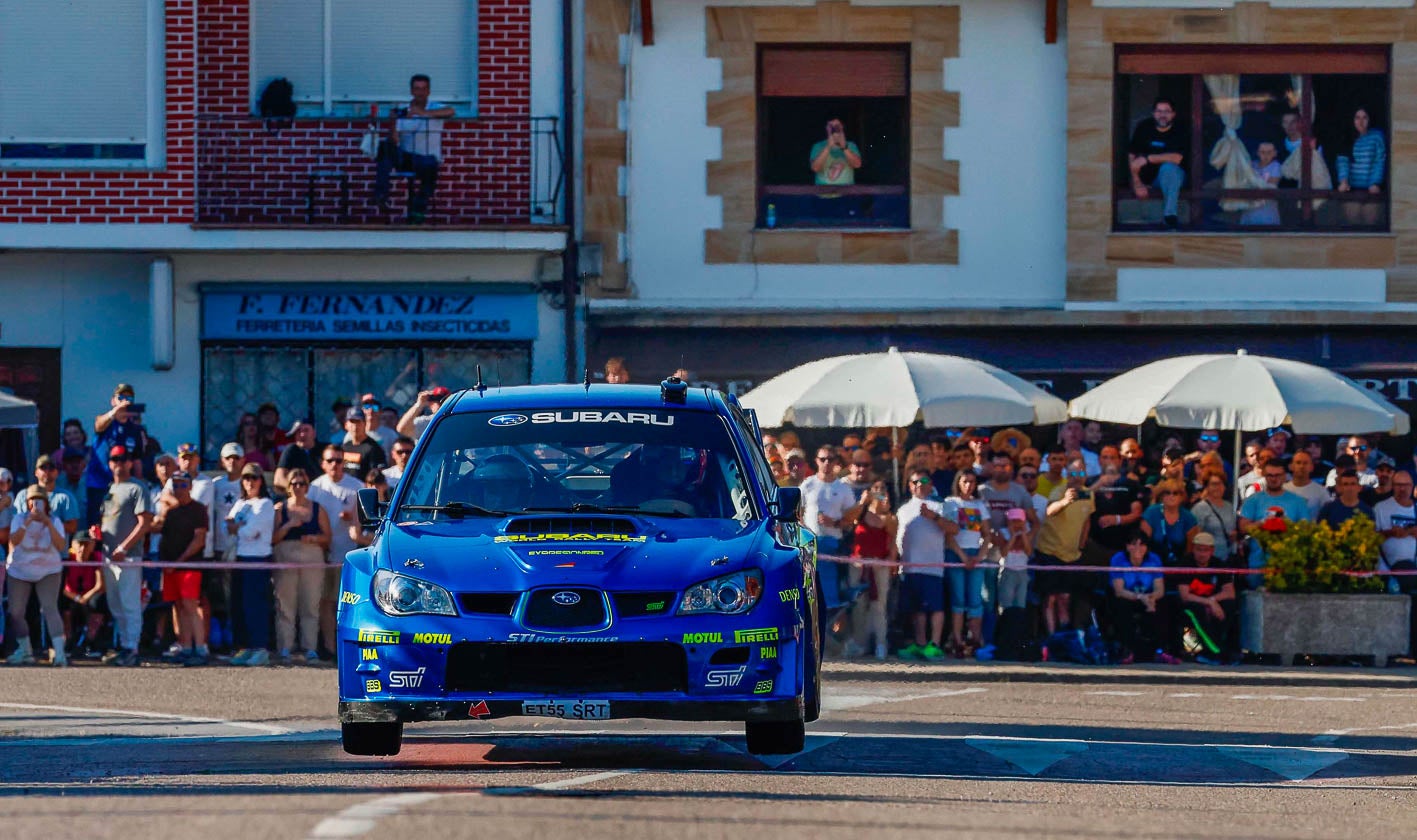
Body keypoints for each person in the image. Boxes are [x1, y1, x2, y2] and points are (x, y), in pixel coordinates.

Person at [373, 73, 454, 223]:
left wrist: (422, 113)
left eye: (424, 89)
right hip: (407, 157)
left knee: (431, 169)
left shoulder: (435, 107)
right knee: (385, 146)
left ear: (429, 91)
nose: (420, 93)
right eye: (417, 89)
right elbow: (395, 140)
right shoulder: (403, 110)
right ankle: (381, 195)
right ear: (411, 91)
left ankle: (417, 211)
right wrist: (393, 122)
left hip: (428, 158)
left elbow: (450, 112)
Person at [98, 445, 151, 666]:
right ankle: (123, 643)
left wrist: (125, 547)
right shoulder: (109, 489)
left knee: (130, 603)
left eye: (123, 459)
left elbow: (145, 522)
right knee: (115, 603)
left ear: (130, 462)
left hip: (128, 556)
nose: (118, 463)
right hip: (109, 555)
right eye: (114, 459)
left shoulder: (137, 488)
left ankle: (132, 647)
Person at [272, 468, 331, 666]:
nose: (298, 487)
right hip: (286, 556)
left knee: (311, 604)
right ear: (288, 487)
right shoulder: (281, 509)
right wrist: (288, 526)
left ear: (307, 486)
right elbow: (273, 539)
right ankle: (285, 647)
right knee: (285, 605)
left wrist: (314, 538)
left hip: (311, 556)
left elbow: (327, 538)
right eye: (294, 484)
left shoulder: (317, 508)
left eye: (302, 483)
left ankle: (310, 648)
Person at [894, 469, 955, 661]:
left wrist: (934, 517)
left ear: (931, 484)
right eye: (914, 481)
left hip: (933, 566)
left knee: (936, 608)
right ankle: (920, 644)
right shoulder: (903, 509)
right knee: (917, 609)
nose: (919, 484)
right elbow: (898, 537)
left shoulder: (941, 506)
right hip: (909, 566)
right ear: (910, 485)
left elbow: (954, 529)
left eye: (924, 480)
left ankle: (935, 644)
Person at [5, 486, 69, 665]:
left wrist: (47, 523)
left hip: (48, 569)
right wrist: (27, 522)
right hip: (20, 569)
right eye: (32, 500)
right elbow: (14, 541)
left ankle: (60, 653)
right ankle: (25, 651)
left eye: (39, 500)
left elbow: (60, 545)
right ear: (27, 503)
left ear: (46, 504)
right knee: (16, 612)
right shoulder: (19, 519)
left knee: (50, 608)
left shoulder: (55, 521)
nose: (35, 503)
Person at [310, 445, 363, 657]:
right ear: (323, 463)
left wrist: (354, 519)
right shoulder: (315, 487)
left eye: (339, 461)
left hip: (348, 556)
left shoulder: (356, 487)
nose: (335, 465)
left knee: (347, 606)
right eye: (330, 460)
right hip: (321, 556)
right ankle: (330, 649)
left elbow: (366, 523)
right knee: (324, 603)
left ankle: (346, 649)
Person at [152, 470, 209, 667]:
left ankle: (200, 648)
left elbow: (199, 539)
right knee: (178, 606)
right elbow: (160, 531)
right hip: (170, 567)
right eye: (175, 485)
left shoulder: (199, 509)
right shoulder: (171, 513)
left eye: (183, 484)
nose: (179, 489)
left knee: (191, 606)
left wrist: (180, 561)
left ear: (191, 487)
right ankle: (185, 647)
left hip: (189, 565)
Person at [1035, 457, 1095, 635]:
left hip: (1072, 554)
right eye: (1073, 473)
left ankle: (1065, 635)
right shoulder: (1059, 491)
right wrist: (1064, 502)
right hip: (1050, 552)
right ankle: (1052, 636)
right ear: (1066, 475)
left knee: (1065, 597)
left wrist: (1081, 544)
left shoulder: (1087, 493)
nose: (1077, 477)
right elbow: (1049, 511)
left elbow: (1087, 520)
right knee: (1050, 598)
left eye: (1081, 473)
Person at [227, 464, 275, 667]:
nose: (250, 482)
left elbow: (251, 532)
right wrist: (237, 527)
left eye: (254, 478)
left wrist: (235, 527)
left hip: (257, 560)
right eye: (246, 478)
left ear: (261, 481)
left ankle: (260, 648)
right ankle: (245, 647)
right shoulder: (240, 503)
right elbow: (225, 527)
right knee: (239, 605)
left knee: (256, 605)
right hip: (240, 558)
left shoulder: (265, 504)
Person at [943, 470, 993, 657]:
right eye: (965, 481)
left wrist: (980, 555)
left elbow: (987, 533)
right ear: (958, 482)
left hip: (976, 554)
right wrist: (962, 556)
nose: (969, 485)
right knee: (958, 599)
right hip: (956, 553)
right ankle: (957, 639)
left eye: (972, 482)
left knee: (975, 600)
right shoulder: (950, 503)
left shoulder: (980, 504)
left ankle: (975, 639)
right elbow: (948, 534)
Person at [848, 478, 898, 660]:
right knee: (858, 606)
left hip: (880, 566)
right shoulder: (861, 513)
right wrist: (863, 502)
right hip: (858, 565)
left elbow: (892, 538)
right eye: (875, 487)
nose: (878, 491)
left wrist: (885, 510)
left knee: (879, 606)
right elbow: (848, 520)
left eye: (882, 488)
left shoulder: (890, 517)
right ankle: (859, 643)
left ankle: (880, 644)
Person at [1238, 460, 1310, 586]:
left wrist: (1285, 524)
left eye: (1278, 475)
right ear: (1264, 476)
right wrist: (1263, 523)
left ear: (1284, 476)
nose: (1274, 479)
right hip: (1258, 563)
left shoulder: (1298, 501)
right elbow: (1243, 528)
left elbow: (1306, 530)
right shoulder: (1253, 500)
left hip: (1288, 563)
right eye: (1270, 475)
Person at [1109, 529, 1176, 664]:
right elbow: (1119, 590)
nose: (1138, 548)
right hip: (1128, 597)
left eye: (1142, 544)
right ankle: (1127, 650)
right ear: (1127, 546)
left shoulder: (1154, 559)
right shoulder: (1118, 559)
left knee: (1165, 605)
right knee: (1121, 606)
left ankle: (1161, 650)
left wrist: (1151, 599)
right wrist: (1141, 597)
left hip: (1148, 597)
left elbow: (1160, 589)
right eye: (1134, 544)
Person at [87, 383, 149, 526]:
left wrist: (139, 485)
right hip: (100, 484)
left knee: (118, 523)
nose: (125, 401)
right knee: (96, 524)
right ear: (113, 400)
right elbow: (98, 425)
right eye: (121, 397)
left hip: (123, 486)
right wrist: (115, 412)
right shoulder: (105, 422)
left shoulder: (135, 430)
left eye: (129, 398)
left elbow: (137, 460)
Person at [1176, 532, 1239, 664]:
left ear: (1212, 550)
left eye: (1205, 550)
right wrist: (1209, 603)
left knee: (1230, 605)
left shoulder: (1219, 564)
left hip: (1212, 602)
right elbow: (1185, 595)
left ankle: (1219, 649)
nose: (1202, 554)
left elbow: (1230, 592)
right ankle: (1214, 651)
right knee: (1195, 612)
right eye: (1199, 549)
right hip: (1192, 604)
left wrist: (1213, 601)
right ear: (1193, 549)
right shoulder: (1186, 563)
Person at [1128, 97, 1188, 229]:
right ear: (1153, 113)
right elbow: (1132, 156)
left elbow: (1176, 158)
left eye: (1167, 111)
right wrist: (1137, 183)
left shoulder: (1180, 129)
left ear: (1173, 114)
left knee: (1168, 168)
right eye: (1159, 111)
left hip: (1174, 178)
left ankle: (1169, 216)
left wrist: (1147, 158)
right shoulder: (1144, 127)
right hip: (1148, 181)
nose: (1162, 115)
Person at [801, 447, 856, 560]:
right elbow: (796, 513)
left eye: (830, 459)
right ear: (816, 461)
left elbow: (851, 520)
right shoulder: (807, 484)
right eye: (822, 459)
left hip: (833, 542)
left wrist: (834, 523)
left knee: (830, 577)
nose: (826, 462)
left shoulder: (844, 488)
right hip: (809, 542)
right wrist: (804, 533)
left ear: (836, 461)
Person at [1337, 106, 1386, 226]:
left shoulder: (1377, 136)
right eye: (1357, 118)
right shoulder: (1347, 136)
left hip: (1372, 189)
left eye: (1364, 118)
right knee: (1353, 221)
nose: (1361, 121)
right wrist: (1343, 181)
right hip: (1352, 189)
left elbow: (1379, 160)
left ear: (1369, 119)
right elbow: (1343, 161)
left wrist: (1375, 183)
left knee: (1370, 221)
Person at [12, 454, 79, 540]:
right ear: (36, 472)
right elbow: (14, 523)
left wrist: (46, 523)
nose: (47, 471)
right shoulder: (23, 495)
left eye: (51, 468)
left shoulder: (66, 497)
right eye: (43, 467)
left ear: (57, 472)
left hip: (55, 551)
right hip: (27, 551)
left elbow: (72, 527)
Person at [1374, 470, 1417, 591]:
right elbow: (1371, 539)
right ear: (1393, 486)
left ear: (1412, 486)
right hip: (1387, 572)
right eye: (1399, 485)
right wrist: (1390, 533)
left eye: (1406, 485)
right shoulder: (1380, 508)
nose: (1402, 489)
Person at [1191, 471, 1239, 563]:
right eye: (1214, 484)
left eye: (1221, 484)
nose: (1218, 487)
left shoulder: (1229, 506)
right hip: (1208, 560)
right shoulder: (1199, 508)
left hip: (1228, 557)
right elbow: (1195, 537)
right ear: (1207, 487)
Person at [1240, 141, 1283, 226]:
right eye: (1262, 152)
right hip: (1250, 209)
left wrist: (1253, 180)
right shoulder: (1252, 165)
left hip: (1267, 210)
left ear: (1275, 153)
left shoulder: (1276, 166)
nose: (1266, 155)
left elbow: (1272, 183)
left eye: (1269, 152)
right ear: (1257, 153)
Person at [810, 118, 862, 186]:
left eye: (837, 126)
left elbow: (857, 165)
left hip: (847, 194)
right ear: (827, 128)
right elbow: (815, 168)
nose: (834, 129)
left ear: (842, 127)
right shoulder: (818, 146)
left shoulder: (851, 145)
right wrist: (828, 147)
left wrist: (844, 147)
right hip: (824, 194)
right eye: (831, 126)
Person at [998, 507, 1032, 612]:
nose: (1016, 523)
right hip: (1008, 571)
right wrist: (1012, 536)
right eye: (1013, 521)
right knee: (1006, 603)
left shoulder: (1027, 531)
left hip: (1022, 571)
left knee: (1020, 603)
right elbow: (1003, 553)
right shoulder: (1003, 532)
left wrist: (1023, 535)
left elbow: (1028, 552)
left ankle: (1018, 625)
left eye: (1019, 521)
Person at [274, 421, 320, 495]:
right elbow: (278, 479)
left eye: (306, 430)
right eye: (298, 431)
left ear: (314, 433)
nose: (302, 434)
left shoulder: (324, 450)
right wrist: (298, 489)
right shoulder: (291, 450)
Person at [340, 407, 388, 478]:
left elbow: (379, 476)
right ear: (346, 425)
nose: (355, 426)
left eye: (358, 421)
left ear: (365, 424)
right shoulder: (344, 447)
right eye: (352, 421)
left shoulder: (374, 448)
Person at [1284, 450, 1329, 521]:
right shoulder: (1283, 490)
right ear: (1291, 466)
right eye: (1298, 463)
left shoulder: (1321, 491)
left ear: (1312, 467)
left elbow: (1327, 516)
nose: (1301, 466)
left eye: (1305, 463)